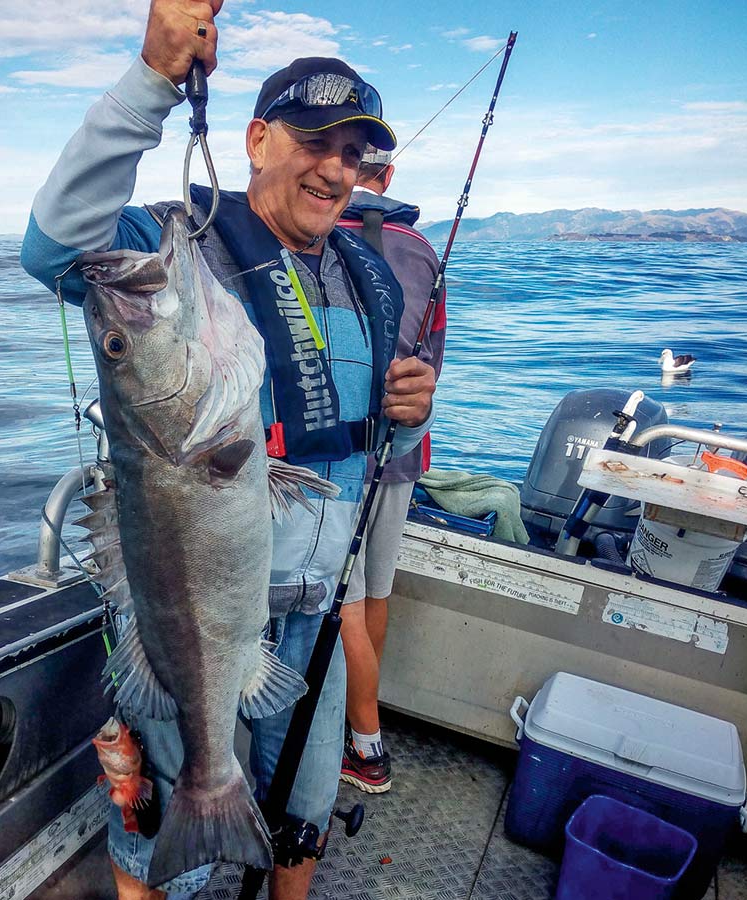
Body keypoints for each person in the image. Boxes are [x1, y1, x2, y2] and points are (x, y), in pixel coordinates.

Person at [20, 2, 436, 898]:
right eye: (314, 140)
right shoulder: (180, 245)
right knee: (159, 823)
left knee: (302, 810)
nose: (336, 169)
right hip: (186, 602)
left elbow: (355, 431)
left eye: (354, 152)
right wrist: (152, 82)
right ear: (254, 140)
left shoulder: (365, 268)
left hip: (313, 609)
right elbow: (54, 248)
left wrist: (406, 409)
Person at [337, 147, 447, 794]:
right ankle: (360, 730)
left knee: (342, 604)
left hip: (342, 454)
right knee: (374, 594)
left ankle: (365, 744)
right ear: (390, 177)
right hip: (404, 451)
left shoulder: (317, 240)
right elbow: (432, 358)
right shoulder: (424, 250)